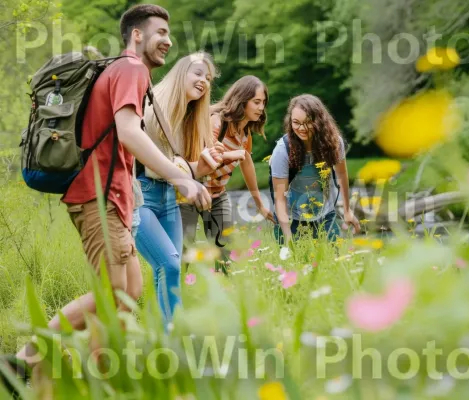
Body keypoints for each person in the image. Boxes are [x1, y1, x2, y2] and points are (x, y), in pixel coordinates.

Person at [2, 4, 211, 385]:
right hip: (97, 198)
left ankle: (101, 380)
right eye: (160, 32)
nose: (168, 40)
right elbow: (130, 132)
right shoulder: (130, 69)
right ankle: (22, 361)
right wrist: (181, 180)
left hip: (112, 199)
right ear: (136, 35)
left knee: (128, 291)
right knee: (116, 290)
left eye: (169, 33)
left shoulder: (124, 72)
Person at [136, 51, 223, 323]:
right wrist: (186, 175)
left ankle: (168, 338)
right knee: (169, 265)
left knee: (171, 271)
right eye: (197, 73)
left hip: (167, 198)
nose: (203, 81)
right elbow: (150, 162)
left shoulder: (187, 116)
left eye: (208, 78)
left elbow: (178, 168)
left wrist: (201, 168)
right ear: (180, 73)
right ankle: (171, 336)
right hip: (139, 194)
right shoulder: (155, 104)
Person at [194, 76, 275, 258]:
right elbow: (203, 156)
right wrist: (232, 155)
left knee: (225, 252)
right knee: (183, 251)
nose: (261, 108)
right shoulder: (217, 122)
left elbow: (247, 165)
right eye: (256, 102)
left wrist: (259, 204)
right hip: (193, 192)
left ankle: (224, 285)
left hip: (217, 194)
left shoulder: (245, 134)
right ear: (242, 100)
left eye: (263, 102)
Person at [271, 94, 360, 243]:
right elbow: (280, 198)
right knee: (296, 265)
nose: (302, 128)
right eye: (296, 123)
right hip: (292, 218)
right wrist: (288, 236)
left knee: (332, 261)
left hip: (326, 214)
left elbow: (342, 175)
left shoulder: (334, 143)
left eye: (307, 122)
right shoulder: (283, 149)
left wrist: (347, 210)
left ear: (319, 121)